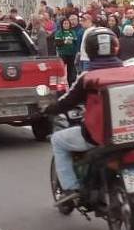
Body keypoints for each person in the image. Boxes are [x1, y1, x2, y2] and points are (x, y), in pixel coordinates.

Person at [44, 28, 123, 205]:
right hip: (129, 134)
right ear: (115, 47)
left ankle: (71, 188)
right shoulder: (128, 71)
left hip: (99, 136)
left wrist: (49, 109)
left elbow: (67, 101)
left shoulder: (87, 77)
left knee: (57, 140)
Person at [54, 19, 79, 84]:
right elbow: (57, 43)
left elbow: (76, 43)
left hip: (71, 54)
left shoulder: (72, 32)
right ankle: (59, 84)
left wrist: (76, 51)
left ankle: (72, 84)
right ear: (62, 25)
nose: (66, 25)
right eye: (64, 23)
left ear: (69, 24)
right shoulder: (59, 33)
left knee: (71, 70)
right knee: (60, 69)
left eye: (67, 23)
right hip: (62, 54)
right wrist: (65, 41)